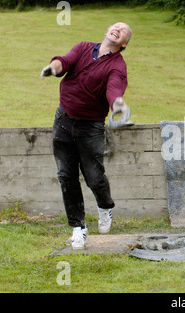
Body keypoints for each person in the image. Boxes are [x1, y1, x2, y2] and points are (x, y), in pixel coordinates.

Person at [40, 22, 132, 249]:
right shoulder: (83, 48)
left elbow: (114, 88)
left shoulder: (117, 66)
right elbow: (65, 61)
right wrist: (53, 67)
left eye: (123, 31)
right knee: (66, 175)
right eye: (116, 25)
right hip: (63, 119)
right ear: (107, 30)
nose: (117, 29)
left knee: (93, 176)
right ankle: (78, 227)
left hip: (90, 127)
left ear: (123, 44)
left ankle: (105, 206)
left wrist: (118, 105)